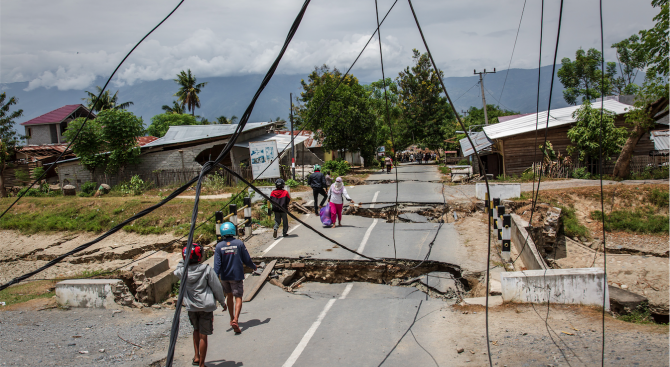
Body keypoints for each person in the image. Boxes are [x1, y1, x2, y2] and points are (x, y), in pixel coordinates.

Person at [174, 243, 226, 367]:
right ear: (199, 256)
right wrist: (222, 302)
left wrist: (185, 258)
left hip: (191, 306)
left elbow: (177, 268)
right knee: (204, 335)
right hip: (206, 306)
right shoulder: (207, 270)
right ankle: (202, 364)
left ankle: (196, 356)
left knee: (196, 330)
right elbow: (217, 287)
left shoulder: (182, 272)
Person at [214, 222, 258, 334]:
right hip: (236, 275)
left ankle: (231, 317)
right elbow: (247, 259)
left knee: (229, 296)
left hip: (224, 277)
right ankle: (236, 320)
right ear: (233, 231)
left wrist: (214, 278)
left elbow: (217, 265)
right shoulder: (239, 243)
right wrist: (253, 267)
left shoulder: (219, 246)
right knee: (238, 297)